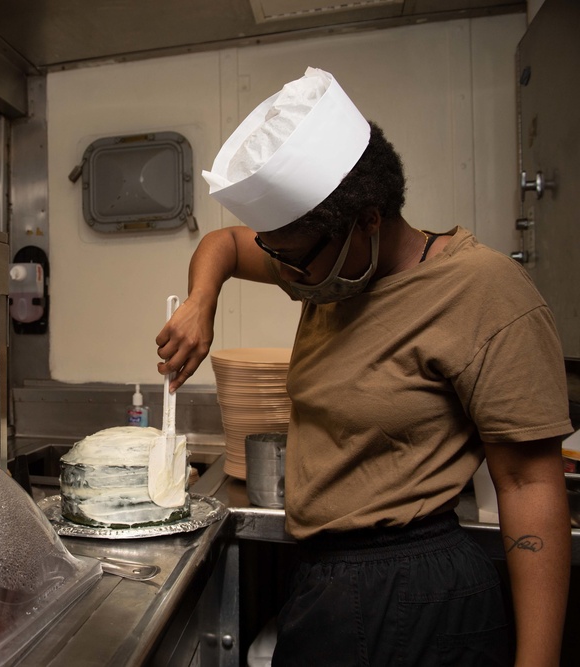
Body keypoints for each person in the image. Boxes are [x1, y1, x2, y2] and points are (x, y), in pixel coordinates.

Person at [155, 67, 572, 666]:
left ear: (368, 219)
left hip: (416, 589)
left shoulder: (483, 292)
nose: (288, 276)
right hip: (328, 579)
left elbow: (530, 484)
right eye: (279, 258)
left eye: (296, 259)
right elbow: (223, 244)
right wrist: (202, 302)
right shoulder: (330, 269)